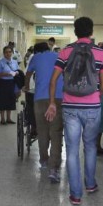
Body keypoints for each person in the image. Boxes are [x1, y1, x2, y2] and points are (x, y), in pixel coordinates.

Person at [44, 16, 103, 206]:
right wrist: (96, 96)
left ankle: (75, 194)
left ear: (75, 31)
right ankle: (90, 184)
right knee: (90, 147)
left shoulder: (65, 51)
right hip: (92, 108)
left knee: (72, 150)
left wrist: (52, 103)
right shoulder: (101, 53)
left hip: (70, 107)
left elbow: (54, 80)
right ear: (91, 31)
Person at [24, 42, 64, 182]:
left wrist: (26, 87)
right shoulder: (59, 55)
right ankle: (54, 169)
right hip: (58, 98)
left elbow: (28, 74)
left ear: (37, 51)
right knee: (56, 133)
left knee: (42, 131)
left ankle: (44, 161)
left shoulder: (35, 58)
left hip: (40, 98)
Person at [0, 45, 20, 124]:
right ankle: (2, 119)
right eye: (6, 52)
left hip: (11, 82)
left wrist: (16, 73)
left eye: (9, 52)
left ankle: (9, 118)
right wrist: (6, 74)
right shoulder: (1, 62)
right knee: (2, 100)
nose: (8, 54)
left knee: (10, 100)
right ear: (3, 53)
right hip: (3, 83)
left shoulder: (14, 62)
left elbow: (18, 71)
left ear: (12, 53)